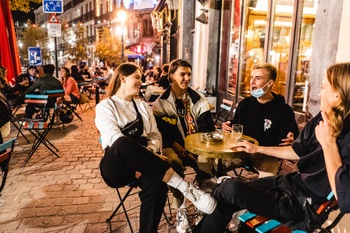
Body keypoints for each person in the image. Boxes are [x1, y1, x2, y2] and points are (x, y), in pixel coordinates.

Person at [193, 62, 350, 233]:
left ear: (338, 95)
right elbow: (297, 150)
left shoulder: (342, 137)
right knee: (225, 193)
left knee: (229, 188)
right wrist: (257, 149)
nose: (319, 94)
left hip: (302, 205)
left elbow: (345, 199)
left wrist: (329, 145)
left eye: (323, 88)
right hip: (291, 183)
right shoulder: (323, 118)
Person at [95, 62, 216, 233]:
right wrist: (143, 159)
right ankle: (186, 188)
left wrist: (148, 155)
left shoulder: (143, 106)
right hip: (116, 166)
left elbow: (155, 135)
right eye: (136, 77)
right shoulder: (105, 106)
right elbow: (114, 138)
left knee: (157, 184)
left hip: (147, 164)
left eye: (141, 77)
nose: (140, 80)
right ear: (123, 78)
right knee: (123, 142)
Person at [152, 59, 215, 232]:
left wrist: (196, 147)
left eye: (189, 74)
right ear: (171, 76)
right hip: (173, 146)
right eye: (182, 74)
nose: (187, 78)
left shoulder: (198, 100)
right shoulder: (161, 103)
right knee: (170, 160)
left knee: (206, 159)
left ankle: (202, 202)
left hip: (196, 146)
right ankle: (180, 208)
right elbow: (161, 132)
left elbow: (207, 129)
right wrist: (175, 144)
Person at [221, 63, 299, 177]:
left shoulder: (284, 110)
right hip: (242, 152)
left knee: (265, 184)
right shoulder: (245, 104)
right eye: (252, 77)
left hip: (266, 155)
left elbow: (293, 139)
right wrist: (229, 125)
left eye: (258, 78)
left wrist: (292, 140)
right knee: (216, 163)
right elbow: (237, 124)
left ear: (270, 83)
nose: (252, 82)